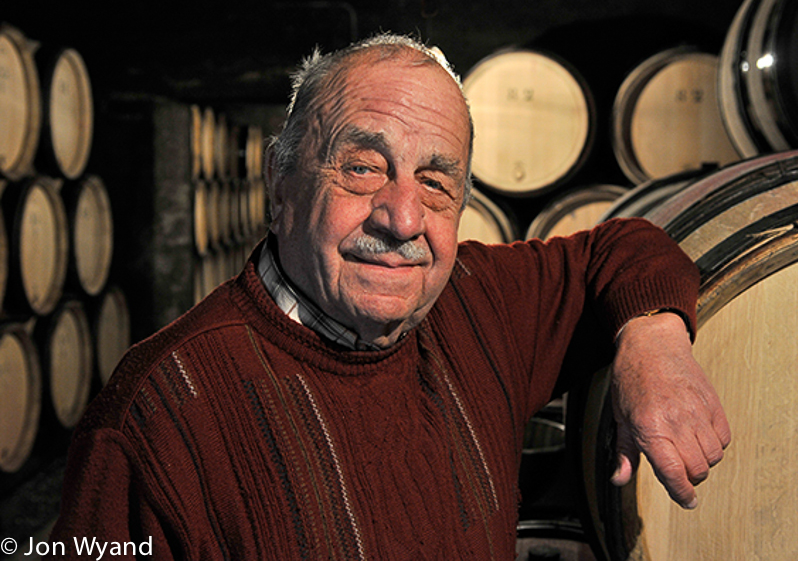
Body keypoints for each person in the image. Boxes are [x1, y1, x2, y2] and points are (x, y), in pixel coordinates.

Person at [46, 33, 730, 559]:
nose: (402, 219)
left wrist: (653, 339)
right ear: (281, 185)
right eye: (363, 168)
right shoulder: (157, 414)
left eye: (435, 182)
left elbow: (625, 247)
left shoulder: (478, 302)